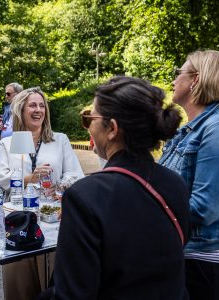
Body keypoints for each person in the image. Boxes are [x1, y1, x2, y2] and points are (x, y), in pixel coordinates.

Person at [50, 76, 191, 300]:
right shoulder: (176, 183)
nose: (87, 127)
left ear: (112, 129)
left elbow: (71, 293)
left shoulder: (84, 197)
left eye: (89, 119)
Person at [0, 86, 84, 300]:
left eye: (42, 105)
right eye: (32, 105)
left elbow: (75, 174)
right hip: (18, 220)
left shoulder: (59, 139)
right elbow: (0, 179)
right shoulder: (11, 142)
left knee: (51, 282)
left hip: (52, 218)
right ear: (21, 110)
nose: (38, 110)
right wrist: (29, 179)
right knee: (20, 285)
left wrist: (60, 185)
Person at [159, 50, 219, 300]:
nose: (174, 79)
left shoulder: (218, 129)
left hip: (207, 263)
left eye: (180, 72)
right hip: (184, 254)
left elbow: (204, 209)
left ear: (196, 80)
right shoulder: (188, 130)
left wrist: (146, 210)